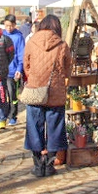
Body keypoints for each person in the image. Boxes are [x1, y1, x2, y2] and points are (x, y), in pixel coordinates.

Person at [23, 14, 72, 177]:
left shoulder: (31, 42)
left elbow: (26, 66)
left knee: (34, 127)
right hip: (55, 92)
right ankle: (50, 165)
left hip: (35, 91)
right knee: (55, 128)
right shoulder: (62, 45)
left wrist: (35, 78)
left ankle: (38, 165)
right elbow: (67, 70)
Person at [2, 14, 25, 126]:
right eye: (6, 25)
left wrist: (19, 69)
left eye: (10, 26)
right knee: (2, 94)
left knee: (13, 95)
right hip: (2, 70)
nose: (8, 28)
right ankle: (3, 116)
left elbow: (21, 54)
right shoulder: (1, 35)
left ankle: (13, 115)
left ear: (15, 25)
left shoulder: (19, 37)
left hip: (13, 71)